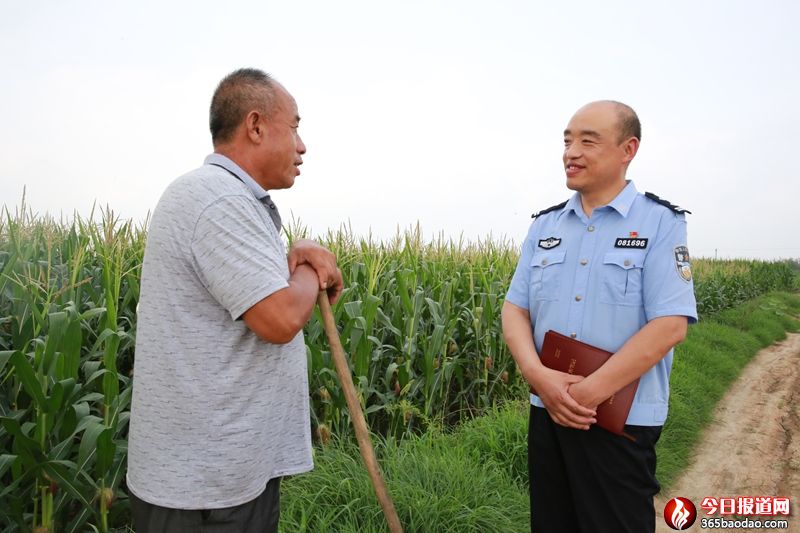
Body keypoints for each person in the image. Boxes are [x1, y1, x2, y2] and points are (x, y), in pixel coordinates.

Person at [127, 68, 344, 533]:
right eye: (295, 127)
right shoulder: (218, 199)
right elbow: (280, 318)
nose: (302, 146)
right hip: (207, 492)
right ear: (256, 125)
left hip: (221, 477)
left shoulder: (230, 200)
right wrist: (312, 268)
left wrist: (298, 254)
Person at [502, 100, 697, 532]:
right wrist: (538, 377)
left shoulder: (660, 222)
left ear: (629, 149)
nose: (571, 152)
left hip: (620, 420)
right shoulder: (546, 226)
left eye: (588, 142)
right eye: (567, 141)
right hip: (548, 409)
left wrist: (588, 394)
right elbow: (515, 308)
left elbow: (670, 325)